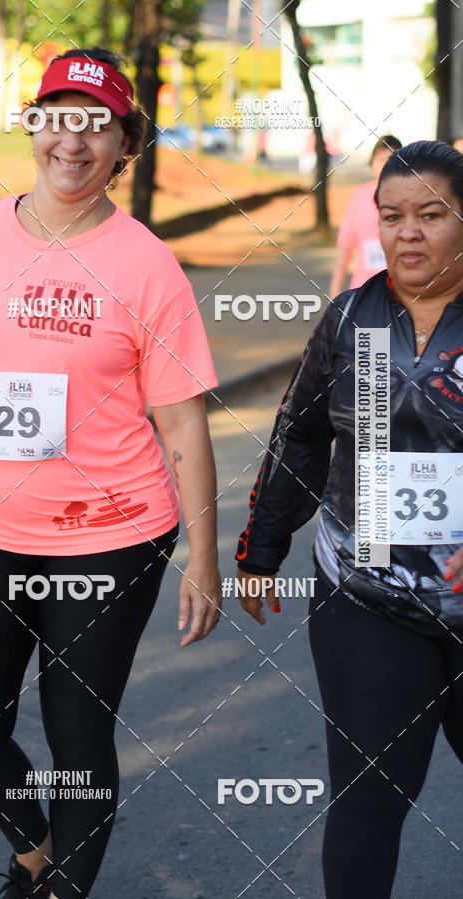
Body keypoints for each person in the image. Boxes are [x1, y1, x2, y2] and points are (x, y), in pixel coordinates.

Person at [0, 47, 222, 899]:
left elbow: (181, 418)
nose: (75, 139)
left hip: (112, 535)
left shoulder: (146, 263)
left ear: (122, 143)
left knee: (77, 733)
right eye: (59, 116)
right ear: (34, 126)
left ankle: (60, 887)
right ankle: (35, 843)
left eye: (96, 123)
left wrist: (204, 556)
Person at [235, 140, 463, 898]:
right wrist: (260, 549)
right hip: (366, 593)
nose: (409, 232)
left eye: (432, 214)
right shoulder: (349, 319)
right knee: (368, 795)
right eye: (393, 216)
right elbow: (299, 431)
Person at [329, 134, 402, 298]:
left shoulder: (411, 198)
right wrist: (336, 289)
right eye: (381, 159)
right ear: (371, 163)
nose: (386, 165)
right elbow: (345, 245)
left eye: (392, 159)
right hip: (365, 291)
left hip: (402, 293)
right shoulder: (360, 196)